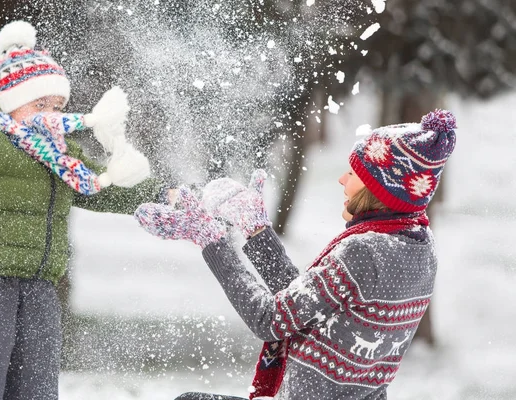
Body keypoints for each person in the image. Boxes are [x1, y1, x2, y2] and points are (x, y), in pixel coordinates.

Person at [0, 20, 173, 400]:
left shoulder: (59, 154)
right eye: (40, 104)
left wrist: (160, 194)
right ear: (11, 101)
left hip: (40, 282)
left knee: (36, 387)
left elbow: (100, 185)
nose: (51, 113)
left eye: (58, 105)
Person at [134, 109, 457, 400]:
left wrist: (210, 239)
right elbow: (305, 310)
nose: (342, 180)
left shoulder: (364, 251)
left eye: (355, 174)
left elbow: (271, 320)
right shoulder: (419, 248)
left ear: (380, 190)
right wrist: (257, 232)